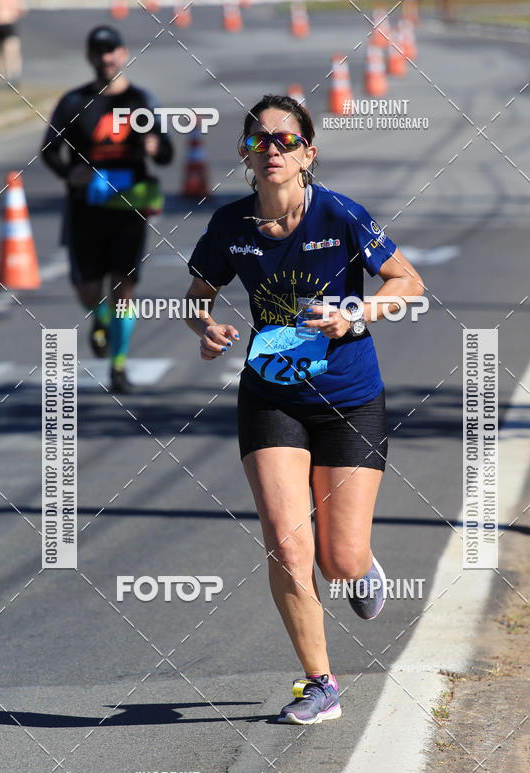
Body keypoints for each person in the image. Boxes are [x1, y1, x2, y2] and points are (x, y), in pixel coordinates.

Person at [183, 95, 423, 725]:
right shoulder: (231, 227)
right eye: (259, 140)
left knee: (336, 560)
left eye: (285, 141)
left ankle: (359, 563)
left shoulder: (340, 215)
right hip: (271, 397)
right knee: (288, 549)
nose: (272, 150)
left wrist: (357, 312)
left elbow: (408, 283)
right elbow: (196, 295)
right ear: (245, 154)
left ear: (308, 154)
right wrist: (203, 325)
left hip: (347, 398)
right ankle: (322, 683)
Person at [41, 25, 173, 394]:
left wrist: (153, 149)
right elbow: (49, 150)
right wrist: (71, 173)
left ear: (123, 53)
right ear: (90, 57)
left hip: (130, 207)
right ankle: (100, 318)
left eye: (111, 50)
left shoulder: (141, 101)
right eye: (98, 52)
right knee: (88, 288)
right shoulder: (73, 102)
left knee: (124, 286)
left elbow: (166, 152)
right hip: (86, 209)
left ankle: (118, 365)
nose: (105, 58)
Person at [0, 0, 27, 87]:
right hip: (8, 25)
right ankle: (13, 77)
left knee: (0, 54)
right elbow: (22, 10)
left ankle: (1, 80)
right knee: (12, 53)